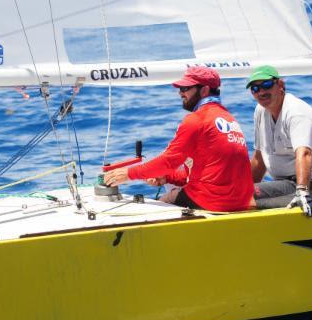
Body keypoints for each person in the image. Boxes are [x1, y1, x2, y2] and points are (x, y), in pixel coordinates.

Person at [103, 66, 253, 212]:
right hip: (240, 202)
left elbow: (169, 161)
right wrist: (167, 177)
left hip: (212, 202)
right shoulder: (230, 119)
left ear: (205, 90)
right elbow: (205, 174)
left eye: (185, 88)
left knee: (161, 202)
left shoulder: (197, 120)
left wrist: (128, 174)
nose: (180, 93)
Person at [246, 65, 312, 217]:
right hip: (286, 184)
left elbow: (304, 153)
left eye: (266, 85)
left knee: (247, 204)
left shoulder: (297, 112)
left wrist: (302, 192)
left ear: (280, 85)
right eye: (255, 88)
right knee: (238, 196)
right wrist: (244, 187)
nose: (261, 92)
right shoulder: (260, 110)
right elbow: (259, 158)